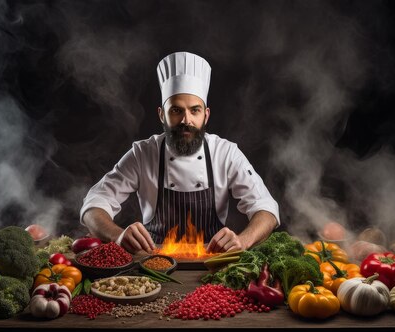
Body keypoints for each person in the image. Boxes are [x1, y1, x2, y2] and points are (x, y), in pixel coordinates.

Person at [80, 51, 280, 254]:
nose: (186, 120)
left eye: (195, 110)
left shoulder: (225, 153)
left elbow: (266, 208)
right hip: (153, 266)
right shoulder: (142, 154)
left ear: (206, 115)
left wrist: (243, 241)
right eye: (176, 110)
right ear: (161, 115)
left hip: (213, 265)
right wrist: (118, 236)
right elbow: (94, 205)